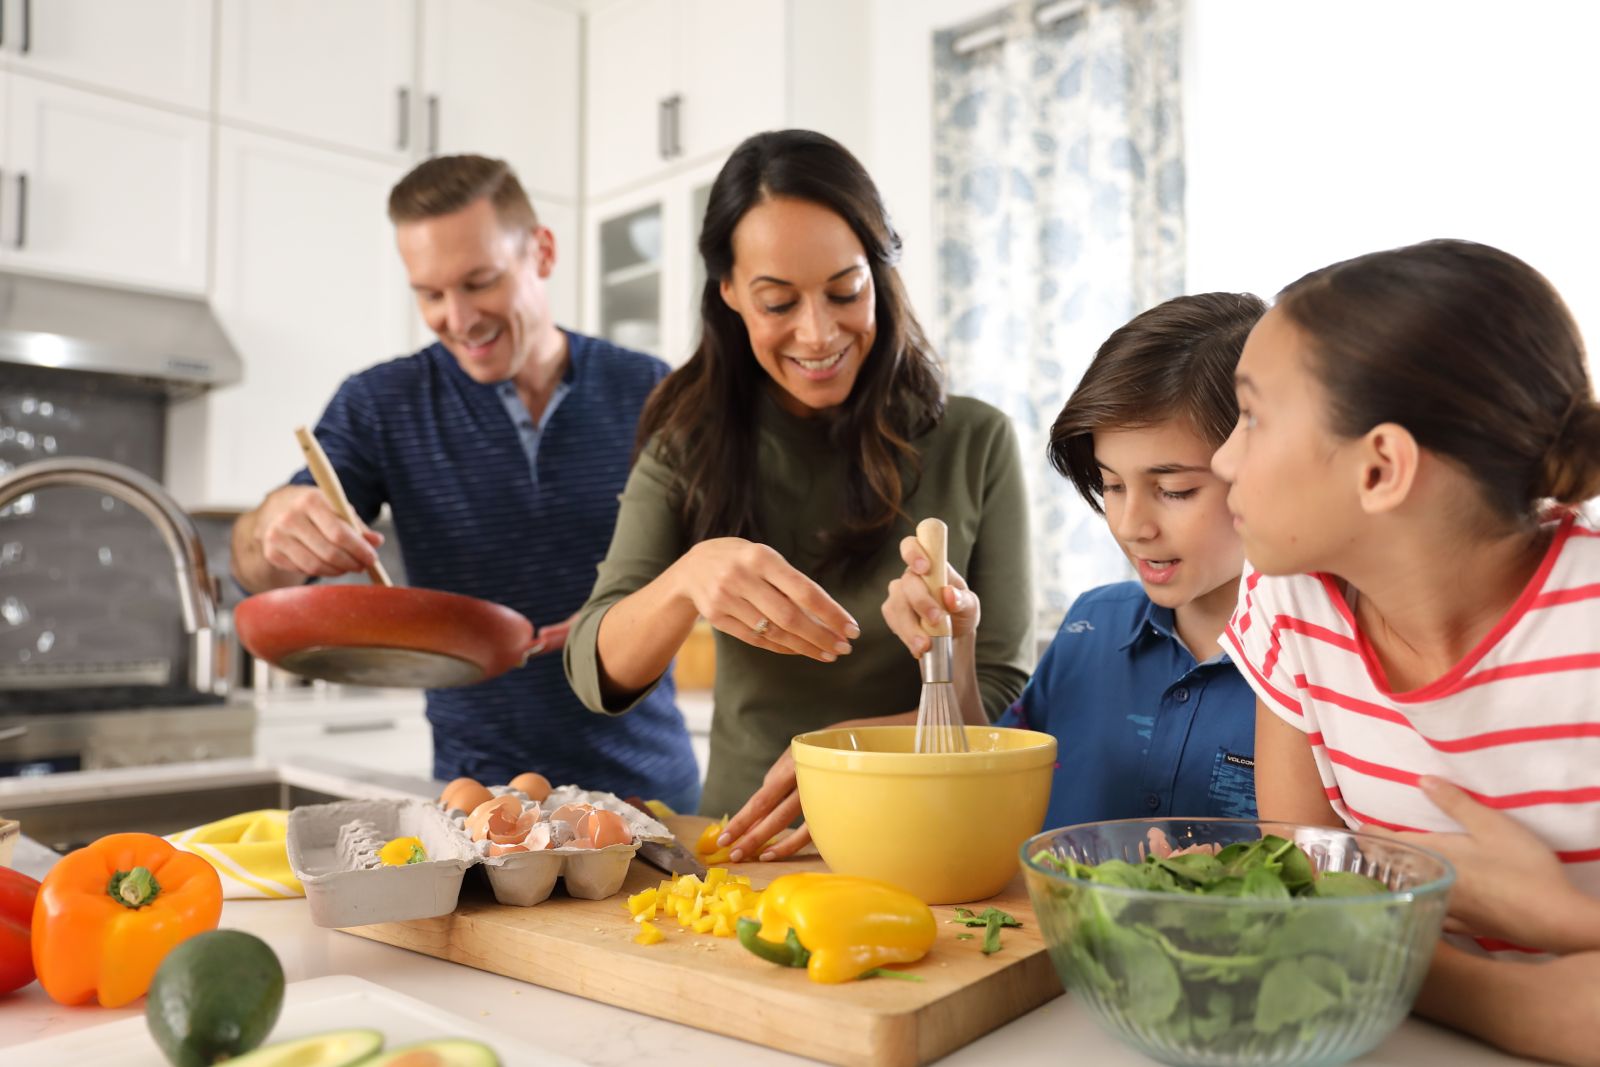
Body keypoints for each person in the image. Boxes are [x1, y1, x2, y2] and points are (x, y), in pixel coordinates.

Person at [564, 129, 1033, 854]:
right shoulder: (686, 444)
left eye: (844, 291)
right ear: (728, 293)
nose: (817, 334)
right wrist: (687, 580)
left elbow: (1002, 701)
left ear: (879, 272)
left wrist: (835, 761)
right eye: (778, 302)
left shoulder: (977, 441)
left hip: (930, 836)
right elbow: (596, 671)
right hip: (749, 845)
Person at [1214, 239, 1600, 1064]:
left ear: (1381, 466)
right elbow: (1307, 891)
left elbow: (1336, 938)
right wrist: (1536, 995)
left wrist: (1560, 921)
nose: (1222, 460)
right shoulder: (1293, 600)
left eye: (1250, 417)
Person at [231, 154, 700, 813]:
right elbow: (258, 570)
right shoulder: (380, 403)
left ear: (541, 252)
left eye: (480, 282)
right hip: (480, 802)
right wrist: (275, 521)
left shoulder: (654, 389)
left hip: (656, 795)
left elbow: (718, 557)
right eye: (429, 293)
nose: (457, 317)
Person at [880, 292, 1265, 831]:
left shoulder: (1317, 661)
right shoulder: (1093, 625)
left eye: (1174, 490)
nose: (1132, 526)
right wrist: (956, 647)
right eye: (1111, 485)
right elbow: (993, 787)